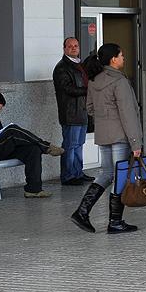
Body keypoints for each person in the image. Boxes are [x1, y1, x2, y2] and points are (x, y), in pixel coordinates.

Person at [70, 43, 143, 233]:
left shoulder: (94, 81)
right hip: (120, 135)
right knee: (119, 176)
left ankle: (82, 212)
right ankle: (115, 222)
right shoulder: (119, 82)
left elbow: (91, 108)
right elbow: (128, 114)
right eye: (121, 55)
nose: (123, 58)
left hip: (103, 134)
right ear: (113, 59)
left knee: (107, 173)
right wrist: (136, 142)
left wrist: (105, 119)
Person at [0, 92, 63, 198]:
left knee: (33, 149)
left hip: (0, 150)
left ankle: (33, 190)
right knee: (12, 129)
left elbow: (1, 137)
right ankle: (46, 146)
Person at [53, 37, 92, 186]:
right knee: (70, 145)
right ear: (64, 49)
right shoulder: (62, 67)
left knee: (79, 144)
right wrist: (89, 90)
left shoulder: (79, 65)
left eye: (76, 45)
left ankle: (78, 173)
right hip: (70, 113)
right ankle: (69, 176)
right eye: (70, 46)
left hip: (81, 111)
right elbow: (68, 89)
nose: (74, 48)